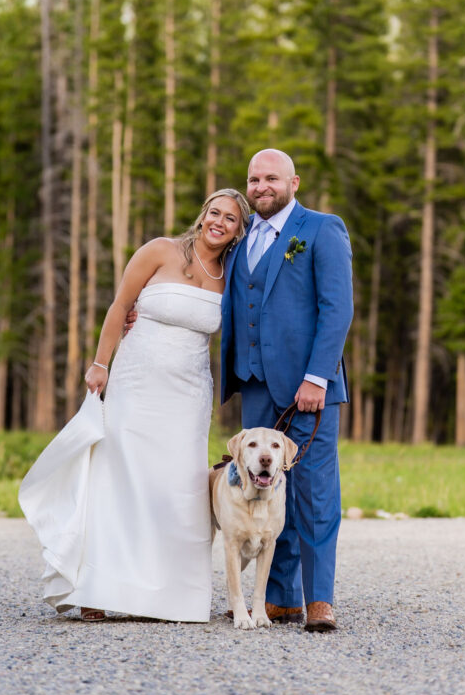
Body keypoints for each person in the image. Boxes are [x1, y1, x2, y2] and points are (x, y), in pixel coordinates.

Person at [19, 189, 250, 622]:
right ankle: (97, 590)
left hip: (188, 392)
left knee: (178, 489)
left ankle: (169, 598)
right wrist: (100, 363)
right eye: (215, 212)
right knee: (120, 479)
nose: (220, 222)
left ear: (239, 230)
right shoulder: (159, 251)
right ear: (203, 215)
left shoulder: (231, 273)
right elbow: (120, 306)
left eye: (231, 219)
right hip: (137, 383)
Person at [220, 149, 353, 633]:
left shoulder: (322, 229)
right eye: (254, 178)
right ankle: (277, 599)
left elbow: (337, 307)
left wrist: (318, 376)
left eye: (271, 178)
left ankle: (319, 600)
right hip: (256, 385)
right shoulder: (240, 241)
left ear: (293, 182)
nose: (261, 186)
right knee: (263, 488)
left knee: (315, 493)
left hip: (308, 388)